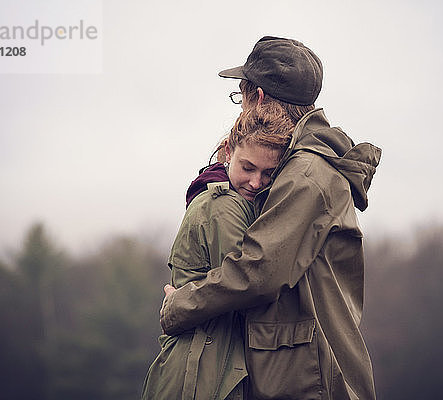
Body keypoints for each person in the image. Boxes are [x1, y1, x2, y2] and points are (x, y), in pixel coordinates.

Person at [160, 36, 381, 399]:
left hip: (313, 381)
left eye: (241, 96)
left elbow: (259, 271)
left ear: (257, 97)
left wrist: (178, 305)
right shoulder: (296, 166)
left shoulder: (306, 174)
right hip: (302, 375)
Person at [141, 103, 295, 400]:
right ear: (228, 152)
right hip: (203, 369)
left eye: (268, 174)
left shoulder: (238, 201)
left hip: (209, 362)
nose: (255, 182)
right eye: (247, 167)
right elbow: (252, 284)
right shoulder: (224, 206)